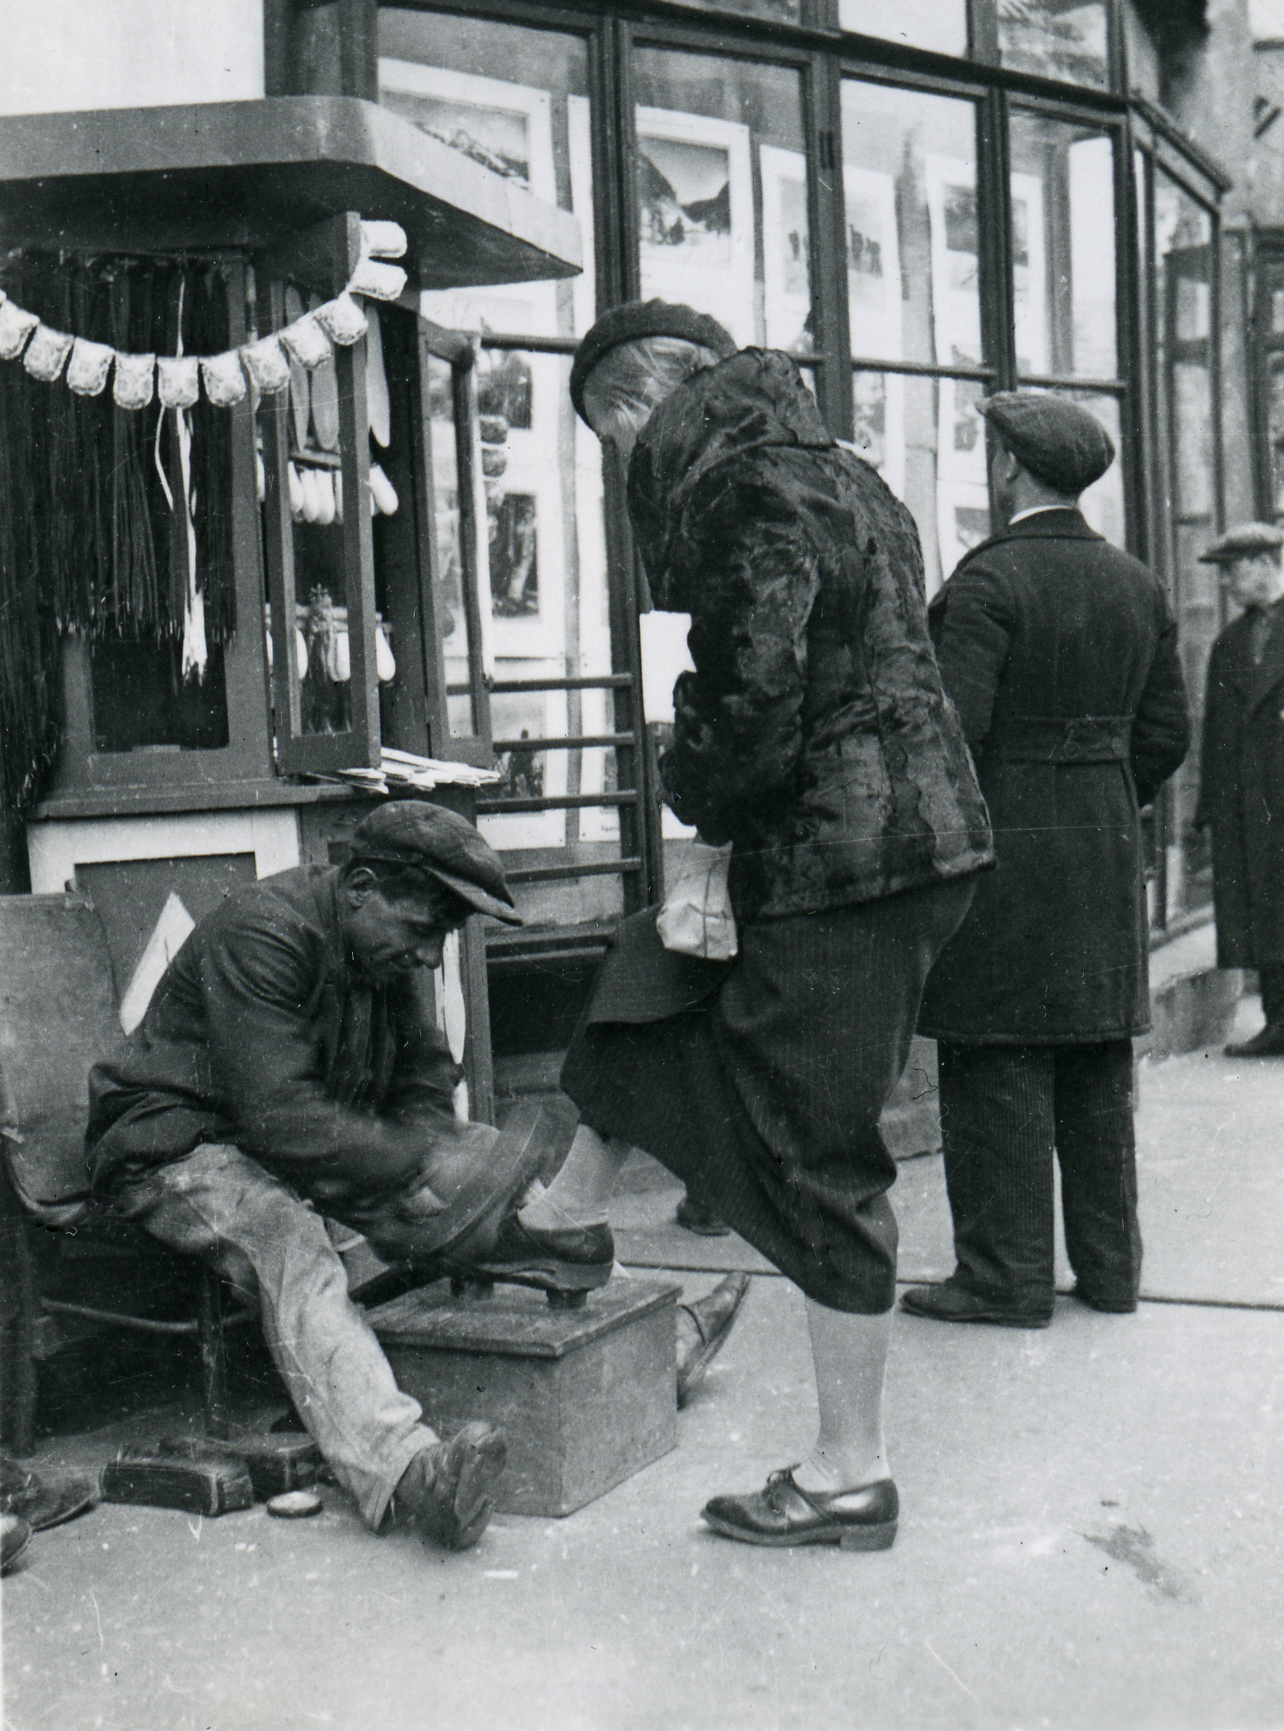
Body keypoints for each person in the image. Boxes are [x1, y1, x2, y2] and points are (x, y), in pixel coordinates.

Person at [481, 299, 993, 1551]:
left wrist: (684, 769)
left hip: (845, 863)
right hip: (899, 846)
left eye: (613, 444)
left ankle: (847, 1473)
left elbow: (753, 703)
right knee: (657, 969)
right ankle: (564, 1208)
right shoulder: (843, 474)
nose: (623, 469)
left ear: (633, 409)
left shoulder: (734, 491)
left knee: (818, 1152)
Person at [85, 801, 542, 1551]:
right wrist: (421, 1164)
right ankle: (410, 1471)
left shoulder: (378, 946)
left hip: (268, 1144)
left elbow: (424, 1070)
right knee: (289, 1240)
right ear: (360, 885)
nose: (430, 956)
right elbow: (281, 1116)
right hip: (169, 1147)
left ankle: (642, 1331)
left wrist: (448, 1151)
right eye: (424, 930)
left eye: (441, 938)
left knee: (488, 1157)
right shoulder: (262, 930)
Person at [904, 392, 1190, 1330]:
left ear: (1008, 468)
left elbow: (952, 733)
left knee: (996, 1053)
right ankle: (1111, 1271)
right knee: (1096, 1057)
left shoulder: (988, 582)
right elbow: (1168, 735)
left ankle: (1005, 1276)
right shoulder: (1140, 583)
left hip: (1007, 844)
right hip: (1103, 840)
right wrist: (1098, 797)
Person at [1191, 523, 1284, 1057]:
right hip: (1251, 799)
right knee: (1267, 910)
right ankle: (1279, 1020)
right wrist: (1208, 806)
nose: (1225, 581)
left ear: (1266, 562)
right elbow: (1216, 732)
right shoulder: (1229, 642)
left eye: (1233, 568)